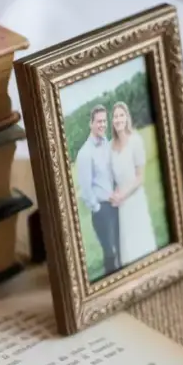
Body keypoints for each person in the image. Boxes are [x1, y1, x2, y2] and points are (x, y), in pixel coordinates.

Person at [109, 101, 158, 266]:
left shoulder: (135, 140)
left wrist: (124, 193)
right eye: (115, 116)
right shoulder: (110, 146)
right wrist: (115, 194)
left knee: (141, 243)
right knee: (127, 248)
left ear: (127, 118)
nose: (118, 119)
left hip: (135, 198)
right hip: (121, 204)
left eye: (121, 115)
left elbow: (140, 177)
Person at [75, 105, 119, 276]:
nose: (102, 124)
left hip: (115, 204)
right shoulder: (85, 153)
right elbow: (85, 188)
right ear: (91, 124)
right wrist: (97, 208)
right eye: (99, 121)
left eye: (104, 121)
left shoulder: (106, 143)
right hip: (102, 211)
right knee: (110, 253)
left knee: (121, 247)